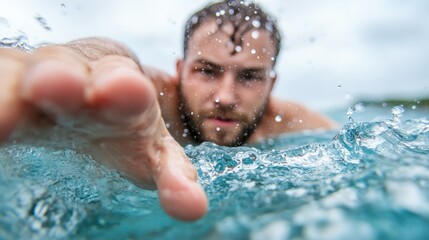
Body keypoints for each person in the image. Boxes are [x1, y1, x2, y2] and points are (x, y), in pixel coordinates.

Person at [0, 0, 336, 221]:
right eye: (207, 71)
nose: (225, 96)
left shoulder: (299, 126)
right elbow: (112, 60)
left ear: (271, 84)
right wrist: (79, 65)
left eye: (249, 77)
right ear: (180, 69)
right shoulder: (153, 98)